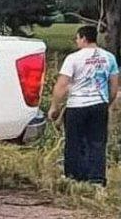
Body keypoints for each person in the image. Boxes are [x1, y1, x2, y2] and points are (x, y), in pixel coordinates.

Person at [49, 26, 119, 186]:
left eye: (77, 38)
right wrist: (108, 102)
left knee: (74, 141)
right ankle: (96, 178)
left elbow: (62, 85)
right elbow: (114, 85)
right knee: (97, 142)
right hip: (99, 104)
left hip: (77, 106)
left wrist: (54, 106)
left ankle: (74, 176)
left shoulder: (73, 58)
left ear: (83, 38)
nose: (76, 41)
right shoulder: (109, 58)